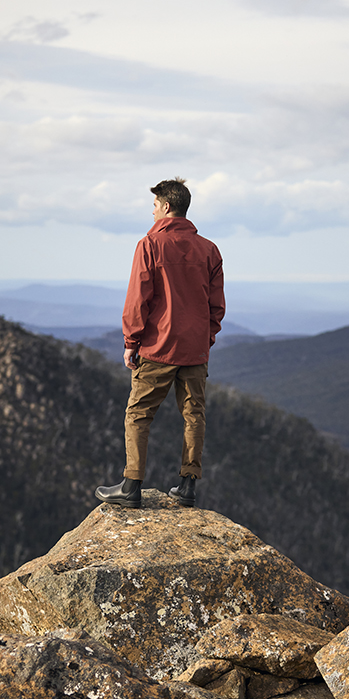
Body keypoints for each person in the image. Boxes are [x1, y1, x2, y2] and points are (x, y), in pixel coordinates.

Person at [95, 177, 225, 509]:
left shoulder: (150, 245)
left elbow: (139, 298)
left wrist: (131, 341)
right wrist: (205, 338)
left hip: (158, 347)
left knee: (138, 413)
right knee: (194, 413)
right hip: (195, 349)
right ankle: (187, 486)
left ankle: (131, 485)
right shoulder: (209, 250)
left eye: (154, 205)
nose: (151, 211)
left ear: (166, 207)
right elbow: (216, 306)